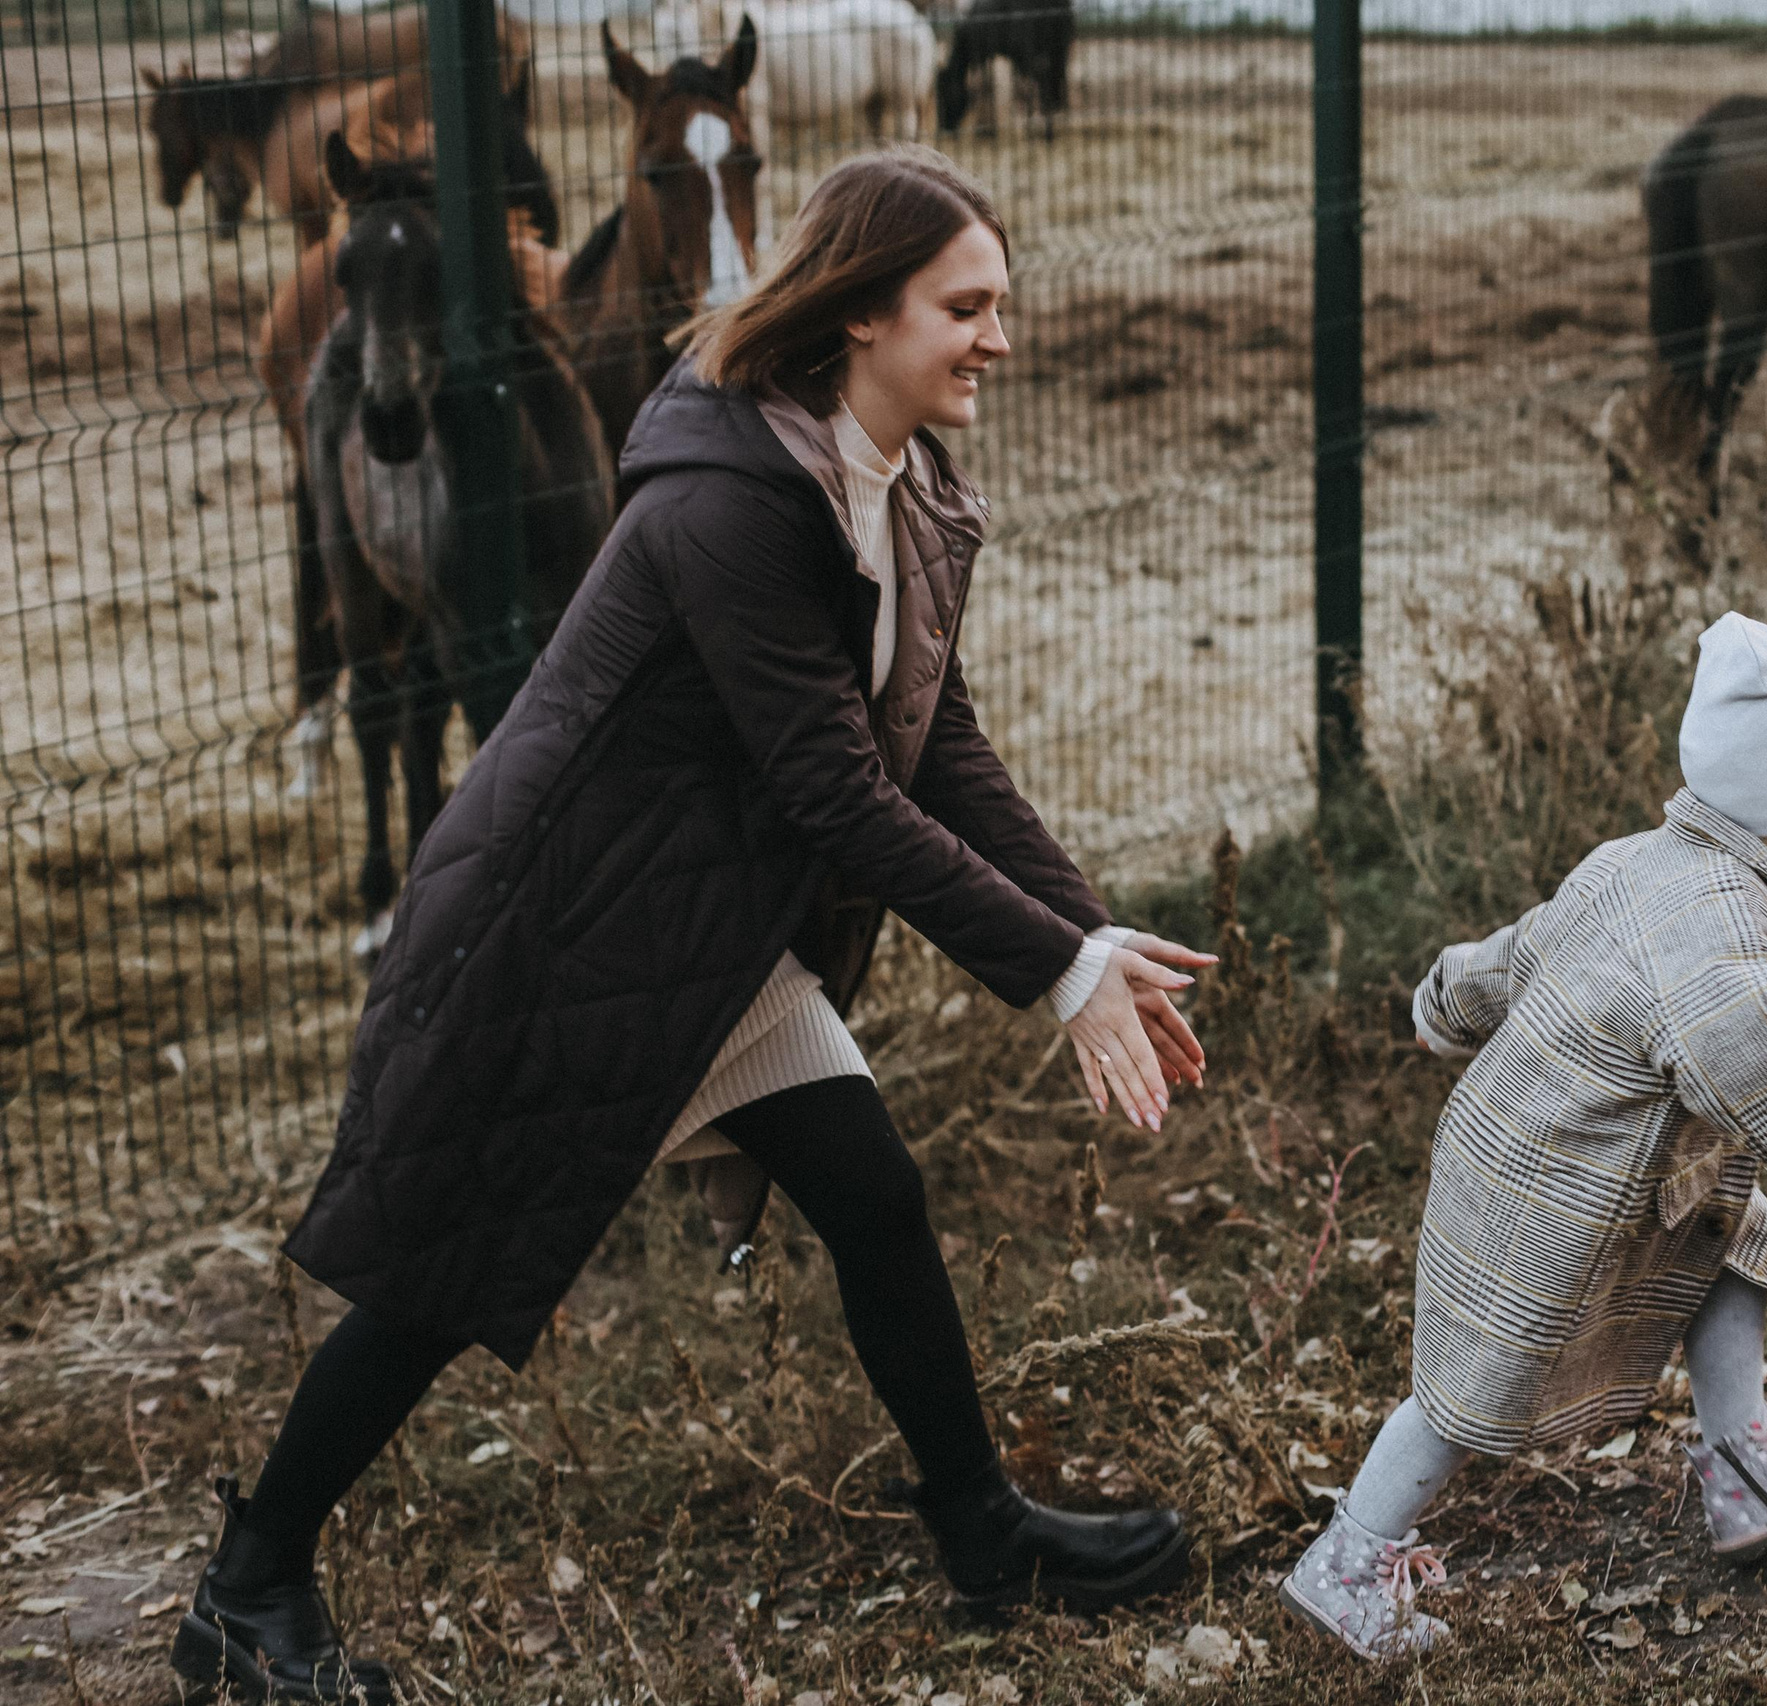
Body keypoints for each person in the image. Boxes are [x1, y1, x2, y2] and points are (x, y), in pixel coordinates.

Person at [172, 148, 1208, 1705]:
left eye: (1002, 302)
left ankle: (989, 1538)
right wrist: (1057, 976)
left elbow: (937, 740)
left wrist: (1087, 932)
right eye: (966, 307)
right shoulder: (734, 499)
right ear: (863, 312)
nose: (999, 337)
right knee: (440, 1269)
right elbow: (836, 794)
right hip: (560, 924)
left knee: (871, 1189)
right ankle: (245, 1592)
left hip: (695, 926)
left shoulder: (900, 477)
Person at [1280, 612, 1767, 1660]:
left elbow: (1526, 945)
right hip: (1546, 1188)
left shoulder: (1639, 860)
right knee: (1465, 1387)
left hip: (1611, 1167)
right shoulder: (1719, 924)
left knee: (1730, 1256)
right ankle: (1349, 1556)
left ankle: (1742, 1467)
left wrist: (1447, 998)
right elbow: (1746, 1050)